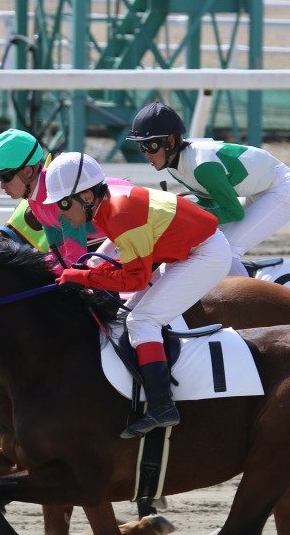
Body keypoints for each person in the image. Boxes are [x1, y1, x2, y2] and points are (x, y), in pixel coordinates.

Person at [44, 152, 231, 439]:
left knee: (142, 321)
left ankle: (162, 405)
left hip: (205, 254)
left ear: (87, 196)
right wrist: (95, 265)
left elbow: (135, 278)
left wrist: (83, 276)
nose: (61, 212)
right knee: (125, 315)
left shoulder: (120, 212)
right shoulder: (108, 203)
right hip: (182, 249)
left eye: (64, 203)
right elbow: (123, 250)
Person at [127, 101, 290, 277]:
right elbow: (209, 200)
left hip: (282, 190)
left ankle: (250, 302)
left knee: (228, 251)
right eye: (141, 146)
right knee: (210, 245)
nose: (146, 153)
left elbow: (234, 212)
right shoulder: (174, 165)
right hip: (258, 189)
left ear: (170, 142)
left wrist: (187, 214)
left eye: (150, 145)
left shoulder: (203, 167)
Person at [0, 127, 130, 267]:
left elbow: (75, 261)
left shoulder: (59, 199)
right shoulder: (35, 201)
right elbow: (57, 254)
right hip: (116, 235)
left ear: (27, 172)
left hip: (135, 226)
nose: (2, 186)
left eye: (4, 177)